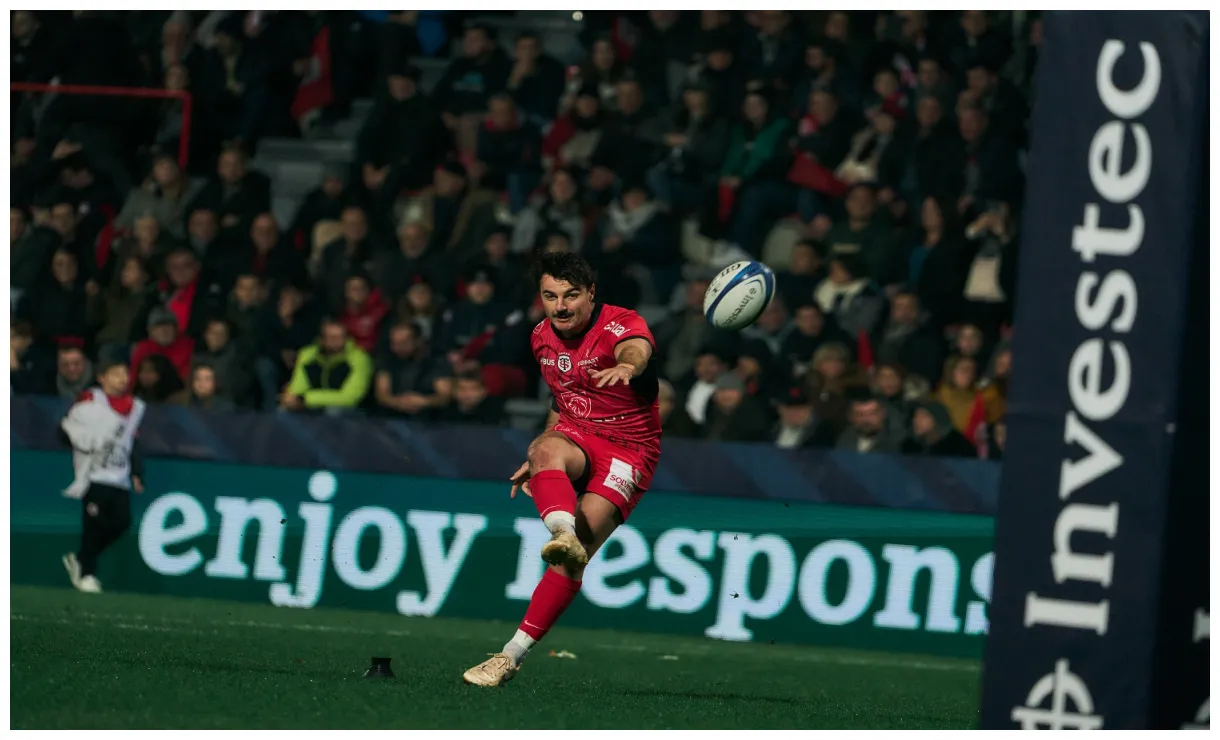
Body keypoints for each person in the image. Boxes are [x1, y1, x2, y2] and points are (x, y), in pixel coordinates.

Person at [463, 252, 661, 687]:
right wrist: (539, 456)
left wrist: (627, 366)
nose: (561, 306)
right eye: (551, 296)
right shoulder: (540, 337)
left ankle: (510, 655)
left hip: (628, 449)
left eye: (571, 295)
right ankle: (561, 533)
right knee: (541, 449)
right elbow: (561, 399)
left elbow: (637, 348)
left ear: (591, 294)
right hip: (577, 432)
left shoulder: (620, 324)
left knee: (576, 559)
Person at [59, 359, 147, 594]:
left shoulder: (135, 406)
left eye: (125, 374)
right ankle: (87, 573)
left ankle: (81, 560)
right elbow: (69, 427)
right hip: (94, 474)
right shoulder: (91, 400)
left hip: (119, 475)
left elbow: (131, 441)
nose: (122, 379)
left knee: (122, 521)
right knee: (93, 525)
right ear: (102, 377)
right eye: (116, 373)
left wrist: (137, 471)